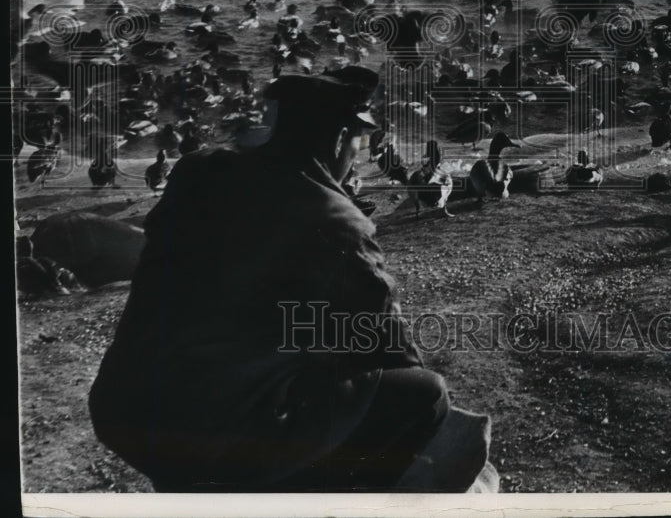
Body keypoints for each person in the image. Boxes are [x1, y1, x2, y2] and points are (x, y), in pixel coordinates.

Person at [89, 68, 478, 492]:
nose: (356, 157)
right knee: (424, 394)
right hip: (212, 429)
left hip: (125, 407)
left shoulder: (198, 172)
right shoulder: (335, 217)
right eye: (356, 143)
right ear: (337, 139)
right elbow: (390, 345)